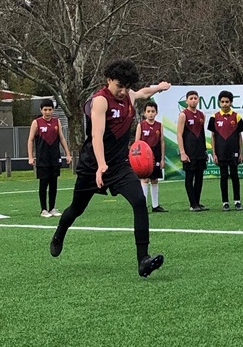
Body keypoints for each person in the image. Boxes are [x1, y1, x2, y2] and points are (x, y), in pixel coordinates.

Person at [49, 59, 171, 278]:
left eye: (126, 86)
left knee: (138, 201)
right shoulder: (100, 101)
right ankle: (60, 233)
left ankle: (143, 260)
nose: (123, 91)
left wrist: (159, 88)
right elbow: (96, 135)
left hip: (119, 166)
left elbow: (143, 92)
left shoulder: (130, 96)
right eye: (119, 86)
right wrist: (101, 164)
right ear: (108, 81)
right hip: (93, 165)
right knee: (76, 209)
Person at [27, 99, 72, 217]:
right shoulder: (36, 122)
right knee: (43, 184)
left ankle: (52, 208)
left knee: (54, 184)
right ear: (41, 110)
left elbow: (62, 138)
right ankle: (43, 209)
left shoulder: (57, 122)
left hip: (55, 157)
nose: (47, 112)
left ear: (53, 110)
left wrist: (67, 154)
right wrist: (31, 157)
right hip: (42, 158)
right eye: (45, 110)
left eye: (50, 109)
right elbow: (31, 140)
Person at [208, 90, 243, 211]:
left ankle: (237, 201)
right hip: (221, 152)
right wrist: (214, 153)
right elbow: (213, 136)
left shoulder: (237, 116)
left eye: (227, 102)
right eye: (222, 102)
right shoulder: (214, 117)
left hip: (234, 152)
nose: (224, 104)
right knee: (223, 176)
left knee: (235, 176)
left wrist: (241, 152)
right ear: (219, 102)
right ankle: (225, 202)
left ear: (231, 102)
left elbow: (240, 136)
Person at [177, 90, 209, 211]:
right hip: (189, 152)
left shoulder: (202, 115)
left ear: (198, 100)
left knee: (200, 177)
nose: (193, 100)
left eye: (195, 98)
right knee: (190, 177)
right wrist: (183, 152)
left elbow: (201, 134)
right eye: (191, 98)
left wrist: (205, 150)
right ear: (186, 101)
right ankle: (192, 204)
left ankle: (197, 202)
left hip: (200, 151)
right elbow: (179, 135)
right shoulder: (183, 115)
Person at [135, 100, 167, 213]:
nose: (151, 113)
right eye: (148, 111)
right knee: (144, 179)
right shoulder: (141, 125)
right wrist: (137, 158)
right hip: (144, 156)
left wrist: (162, 158)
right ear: (144, 113)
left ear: (156, 112)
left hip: (156, 154)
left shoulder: (159, 126)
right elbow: (137, 143)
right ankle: (143, 205)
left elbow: (162, 142)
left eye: (153, 111)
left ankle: (155, 205)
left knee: (155, 179)